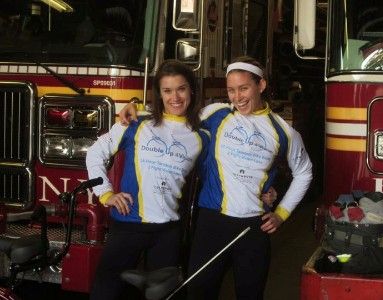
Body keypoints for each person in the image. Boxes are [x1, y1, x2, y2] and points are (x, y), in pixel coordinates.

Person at [119, 56, 312, 299]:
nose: (237, 97)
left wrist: (282, 213)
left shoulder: (284, 132)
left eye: (244, 88)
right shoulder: (215, 114)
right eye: (231, 90)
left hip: (253, 227)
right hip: (212, 223)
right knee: (199, 292)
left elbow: (304, 172)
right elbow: (173, 116)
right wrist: (137, 107)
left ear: (261, 85)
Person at [86, 60, 209, 300]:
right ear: (159, 94)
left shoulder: (202, 136)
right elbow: (95, 153)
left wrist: (267, 191)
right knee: (105, 293)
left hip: (168, 232)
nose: (175, 97)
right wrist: (106, 193)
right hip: (128, 225)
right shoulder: (136, 123)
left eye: (181, 89)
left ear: (191, 91)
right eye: (167, 90)